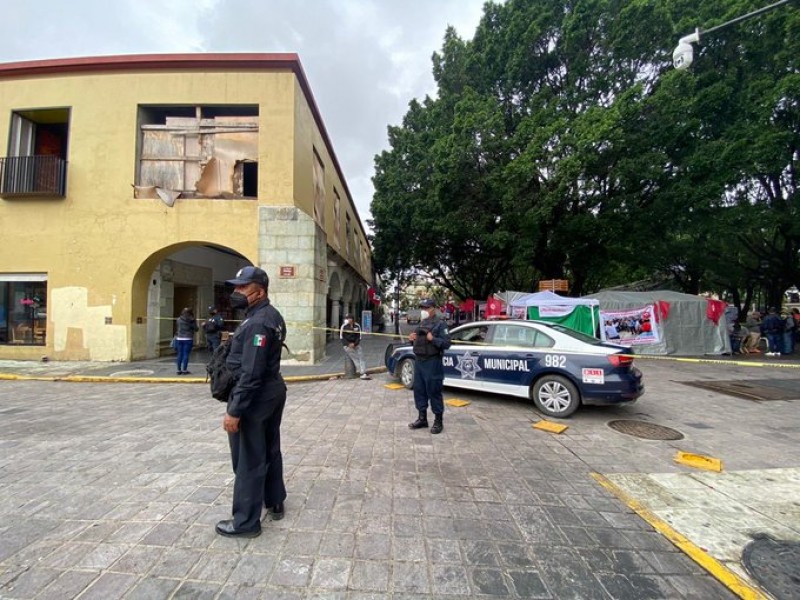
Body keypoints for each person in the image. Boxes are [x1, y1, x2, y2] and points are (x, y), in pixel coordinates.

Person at [215, 266, 288, 538]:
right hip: (270, 391)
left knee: (248, 458)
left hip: (255, 396)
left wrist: (235, 411)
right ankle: (275, 500)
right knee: (269, 448)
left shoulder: (258, 322)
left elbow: (252, 371)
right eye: (235, 287)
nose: (236, 292)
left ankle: (245, 522)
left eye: (243, 288)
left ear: (260, 291)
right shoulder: (269, 315)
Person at [408, 298, 451, 434]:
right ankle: (422, 419)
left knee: (434, 391)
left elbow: (447, 344)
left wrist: (434, 339)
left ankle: (438, 421)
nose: (424, 311)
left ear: (433, 308)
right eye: (423, 308)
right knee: (419, 390)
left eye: (426, 308)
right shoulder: (421, 323)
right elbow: (417, 342)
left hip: (433, 362)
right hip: (419, 361)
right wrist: (412, 339)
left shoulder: (441, 324)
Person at [340, 313, 371, 380]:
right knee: (355, 358)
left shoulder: (357, 326)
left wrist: (355, 344)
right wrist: (348, 344)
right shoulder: (344, 326)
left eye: (350, 318)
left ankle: (364, 371)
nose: (349, 320)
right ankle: (362, 373)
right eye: (348, 318)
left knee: (361, 356)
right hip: (347, 346)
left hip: (356, 344)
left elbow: (359, 336)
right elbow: (342, 337)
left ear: (353, 319)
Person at [174, 307, 198, 375]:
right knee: (186, 354)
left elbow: (178, 327)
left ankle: (178, 370)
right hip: (188, 338)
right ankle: (184, 370)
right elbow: (196, 329)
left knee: (179, 354)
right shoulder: (192, 320)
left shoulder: (178, 319)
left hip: (179, 338)